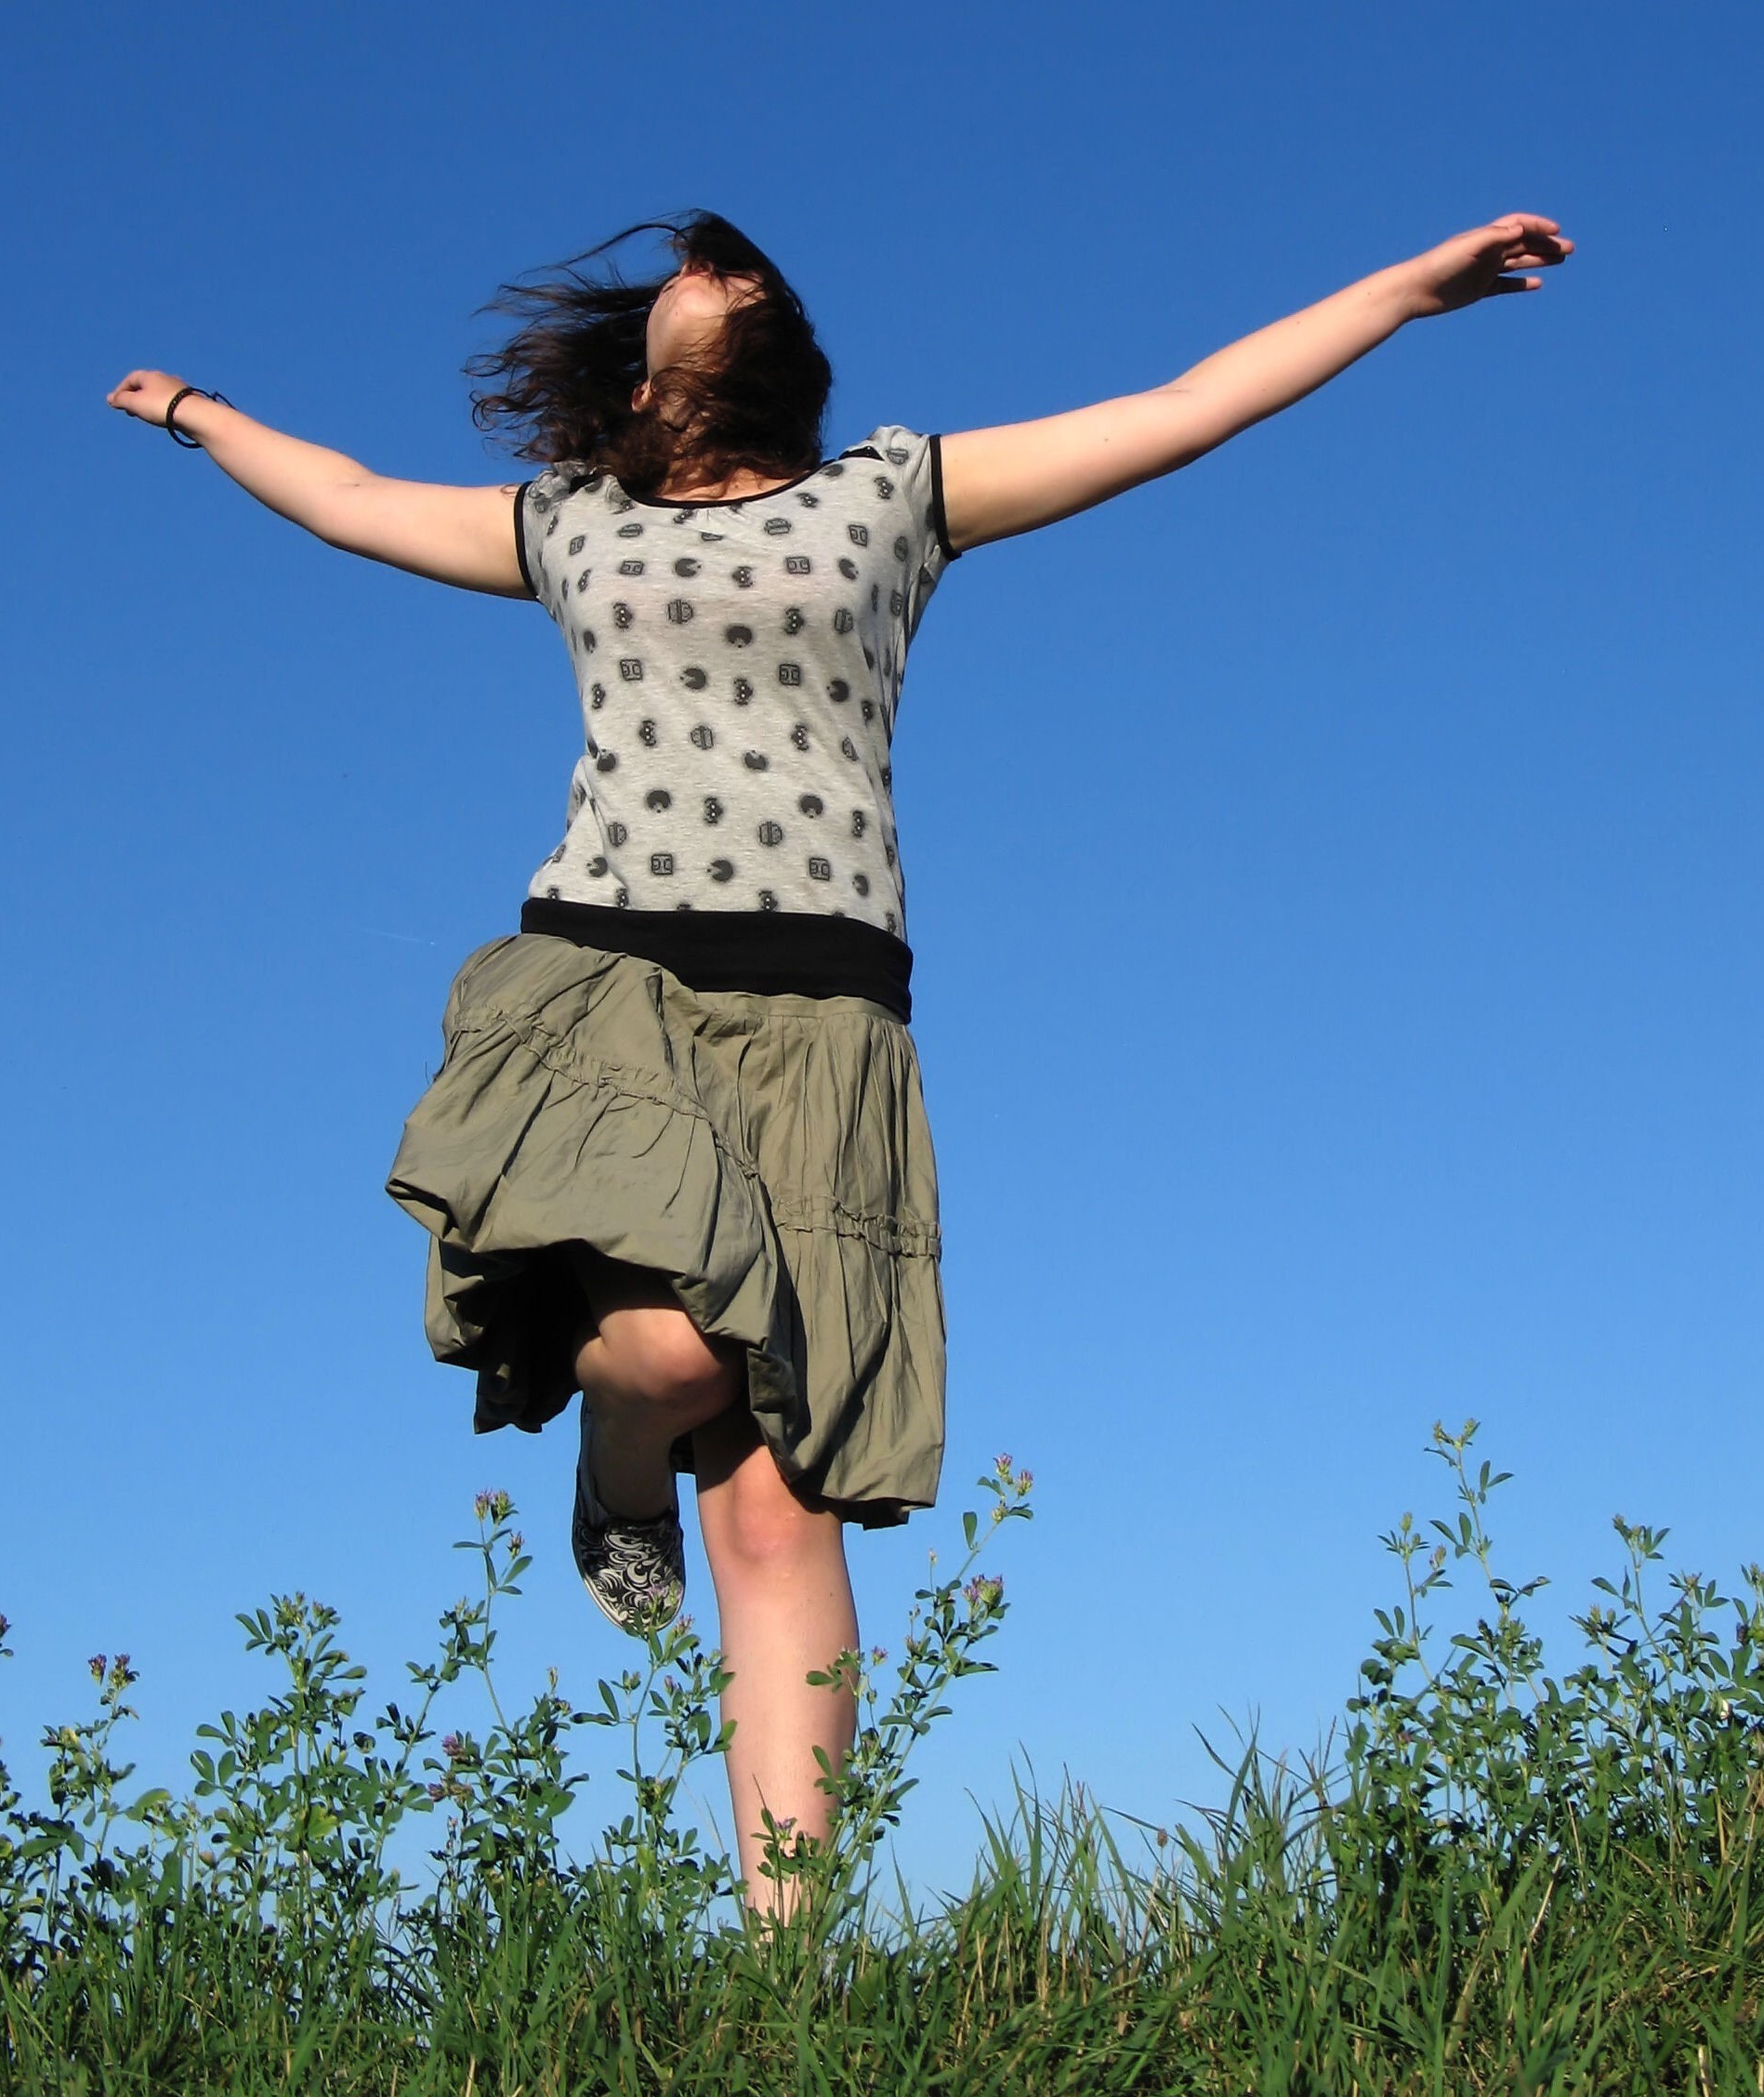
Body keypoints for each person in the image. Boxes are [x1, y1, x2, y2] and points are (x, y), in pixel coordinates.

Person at [108, 202, 1569, 1899]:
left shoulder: (892, 500)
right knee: (664, 1358)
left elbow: (1182, 410)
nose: (698, 282)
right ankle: (613, 1461)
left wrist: (1402, 290)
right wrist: (207, 416)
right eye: (683, 277)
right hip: (611, 988)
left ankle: (786, 1983)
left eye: (726, 275)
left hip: (827, 1013)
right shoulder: (572, 525)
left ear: (766, 356)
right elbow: (355, 501)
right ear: (646, 386)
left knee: (783, 1502)